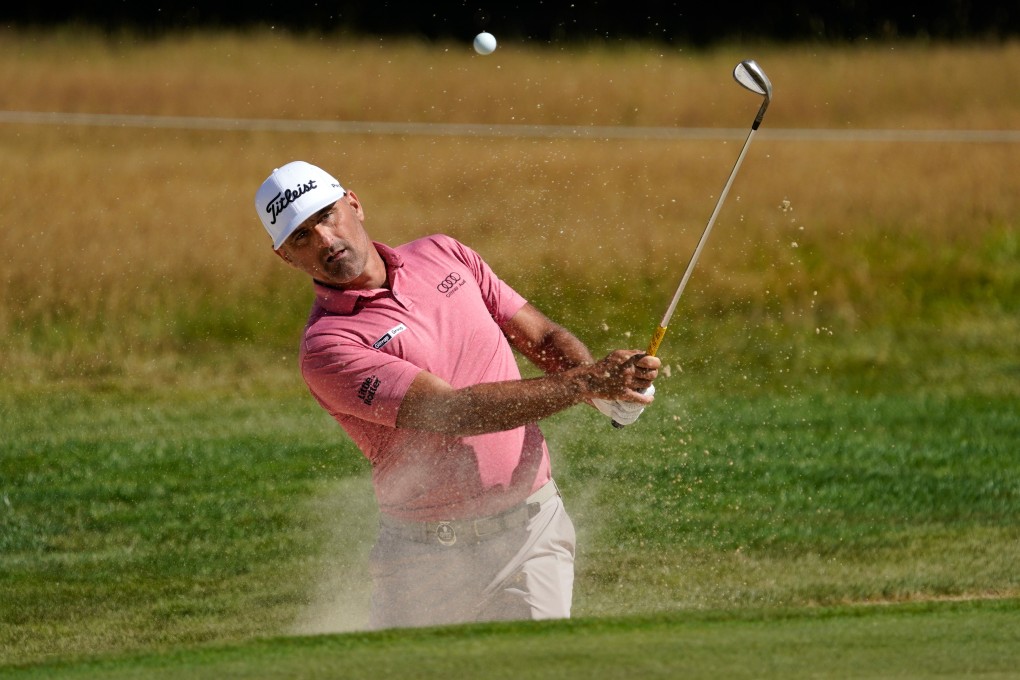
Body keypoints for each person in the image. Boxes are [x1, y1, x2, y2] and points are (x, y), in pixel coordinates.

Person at [254, 160, 660, 629]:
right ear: (286, 256)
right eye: (300, 236)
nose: (324, 240)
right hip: (423, 560)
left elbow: (542, 337)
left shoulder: (442, 253)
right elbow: (451, 411)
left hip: (532, 532)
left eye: (325, 215)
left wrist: (603, 389)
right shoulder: (328, 346)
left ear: (354, 204)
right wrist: (586, 383)